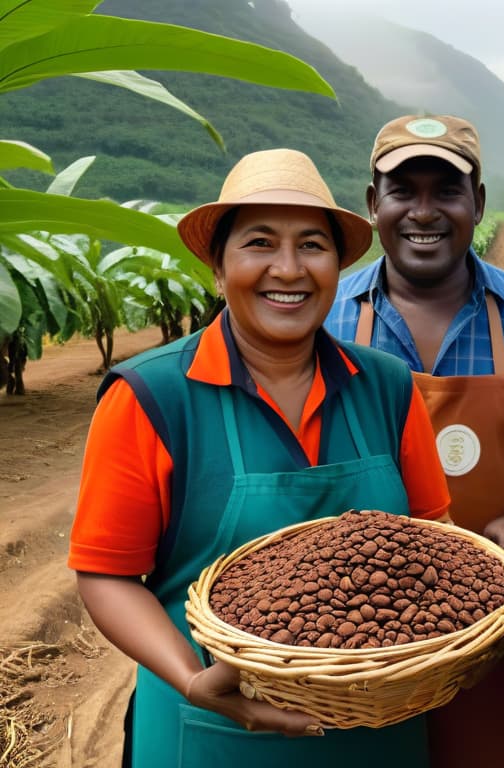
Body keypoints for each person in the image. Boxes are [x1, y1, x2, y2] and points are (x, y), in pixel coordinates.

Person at [68, 148, 450, 768]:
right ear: (218, 269)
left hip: (378, 728)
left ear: (336, 265)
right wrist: (192, 679)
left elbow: (436, 539)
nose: (288, 269)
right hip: (212, 725)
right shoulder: (151, 395)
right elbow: (107, 575)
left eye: (311, 245)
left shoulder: (388, 386)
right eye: (259, 243)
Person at [324, 114, 504, 768]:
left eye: (446, 190)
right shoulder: (329, 319)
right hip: (368, 638)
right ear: (374, 205)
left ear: (478, 203)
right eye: (403, 191)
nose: (423, 211)